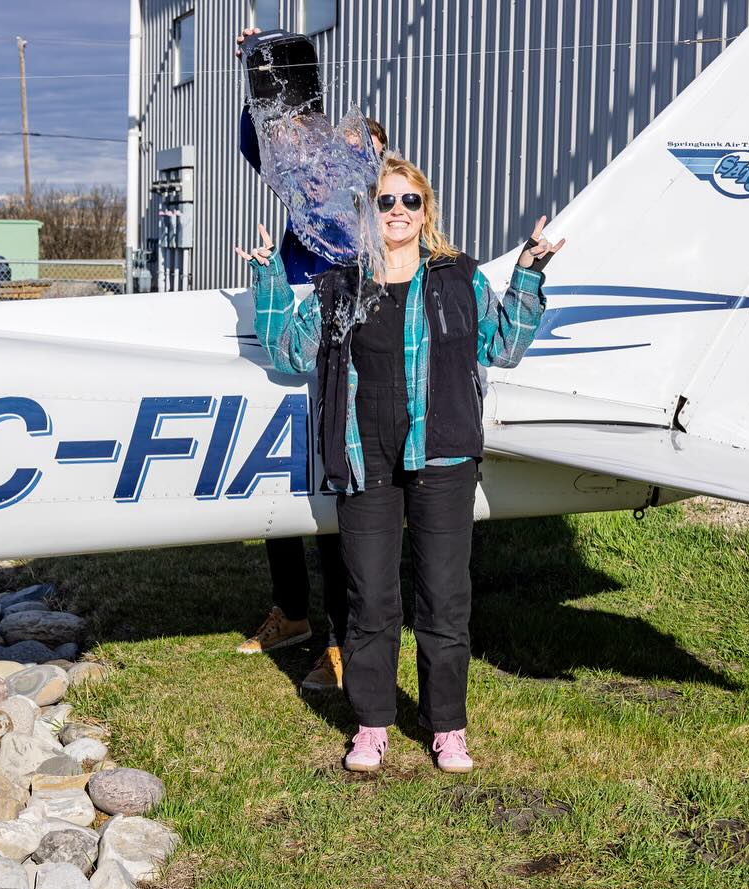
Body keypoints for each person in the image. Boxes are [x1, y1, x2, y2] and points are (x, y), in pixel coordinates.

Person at [236, 156, 563, 773]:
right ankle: (371, 724)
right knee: (370, 600)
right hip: (366, 456)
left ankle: (447, 727)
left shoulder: (458, 278)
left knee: (443, 597)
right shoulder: (342, 283)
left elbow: (506, 346)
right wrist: (271, 274)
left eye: (409, 202)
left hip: (442, 453)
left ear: (425, 211)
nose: (397, 213)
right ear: (368, 211)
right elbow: (286, 351)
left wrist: (527, 274)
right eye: (385, 202)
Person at [231, 27, 388, 696]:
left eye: (369, 148)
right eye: (347, 144)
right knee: (281, 494)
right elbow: (259, 145)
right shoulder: (304, 202)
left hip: (346, 352)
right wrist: (260, 78)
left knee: (333, 496)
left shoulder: (375, 223)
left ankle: (339, 642)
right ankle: (292, 613)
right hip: (291, 340)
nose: (351, 154)